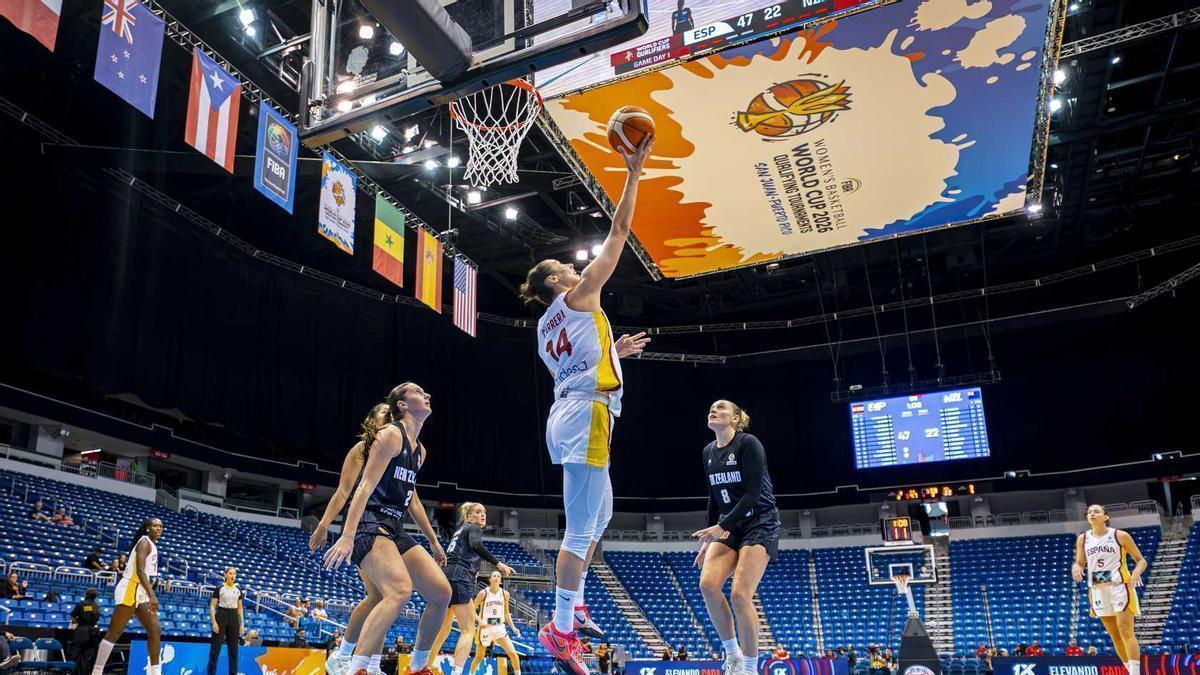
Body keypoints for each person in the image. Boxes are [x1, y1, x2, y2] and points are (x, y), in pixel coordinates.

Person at [521, 131, 653, 675]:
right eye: (564, 267)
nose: (574, 268)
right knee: (581, 528)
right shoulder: (576, 296)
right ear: (555, 281)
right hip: (586, 415)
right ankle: (561, 627)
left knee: (602, 515)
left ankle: (573, 606)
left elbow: (576, 364)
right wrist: (633, 172)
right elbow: (619, 234)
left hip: (573, 410)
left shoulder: (544, 326)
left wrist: (613, 354)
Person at [323, 383, 451, 675]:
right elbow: (363, 488)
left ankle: (418, 667)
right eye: (419, 392)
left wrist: (433, 540)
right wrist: (347, 535)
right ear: (402, 405)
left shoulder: (420, 452)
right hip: (370, 522)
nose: (427, 394)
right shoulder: (391, 435)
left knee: (442, 592)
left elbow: (412, 501)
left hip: (394, 527)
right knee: (397, 590)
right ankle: (357, 667)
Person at [693, 400, 781, 675]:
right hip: (730, 525)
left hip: (760, 521)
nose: (713, 410)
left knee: (740, 595)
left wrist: (721, 526)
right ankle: (733, 657)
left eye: (721, 407)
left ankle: (751, 669)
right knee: (707, 585)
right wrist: (709, 540)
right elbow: (714, 498)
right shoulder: (708, 451)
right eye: (711, 408)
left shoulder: (748, 443)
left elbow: (753, 494)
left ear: (736, 419)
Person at [428, 503, 516, 675]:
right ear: (469, 517)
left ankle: (424, 667)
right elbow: (476, 545)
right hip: (460, 577)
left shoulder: (459, 530)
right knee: (468, 631)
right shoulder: (473, 527)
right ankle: (457, 672)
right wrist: (498, 563)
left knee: (443, 631)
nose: (482, 515)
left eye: (484, 512)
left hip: (445, 575)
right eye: (478, 512)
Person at [1073, 503, 1147, 675]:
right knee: (1114, 634)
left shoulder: (1120, 535)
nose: (1092, 514)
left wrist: (1136, 573)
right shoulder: (1083, 539)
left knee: (1125, 630)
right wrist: (1076, 568)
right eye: (1089, 512)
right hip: (1097, 587)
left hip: (1119, 586)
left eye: (1096, 511)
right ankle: (1129, 670)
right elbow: (1079, 562)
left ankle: (1136, 673)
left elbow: (1141, 560)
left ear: (1105, 516)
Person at [91, 518, 164, 675]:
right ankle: (97, 671)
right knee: (114, 632)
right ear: (147, 528)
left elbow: (147, 573)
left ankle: (155, 672)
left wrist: (154, 581)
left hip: (141, 591)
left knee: (155, 630)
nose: (158, 528)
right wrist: (153, 595)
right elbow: (139, 571)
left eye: (160, 526)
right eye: (155, 526)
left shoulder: (152, 544)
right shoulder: (144, 543)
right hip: (130, 588)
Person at [466, 571, 523, 675]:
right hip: (485, 628)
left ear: (500, 580)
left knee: (513, 653)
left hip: (500, 628)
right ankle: (471, 673)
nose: (496, 578)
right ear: (490, 579)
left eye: (498, 576)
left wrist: (514, 628)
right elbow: (471, 610)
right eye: (494, 576)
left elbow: (506, 614)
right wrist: (479, 621)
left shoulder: (505, 594)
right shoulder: (484, 593)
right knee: (479, 657)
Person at [208, 567, 244, 675]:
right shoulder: (219, 588)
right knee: (215, 649)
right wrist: (214, 622)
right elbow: (212, 606)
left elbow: (240, 608)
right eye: (230, 573)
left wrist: (242, 624)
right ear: (225, 575)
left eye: (234, 574)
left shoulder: (238, 590)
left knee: (233, 651)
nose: (232, 575)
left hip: (233, 618)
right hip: (221, 615)